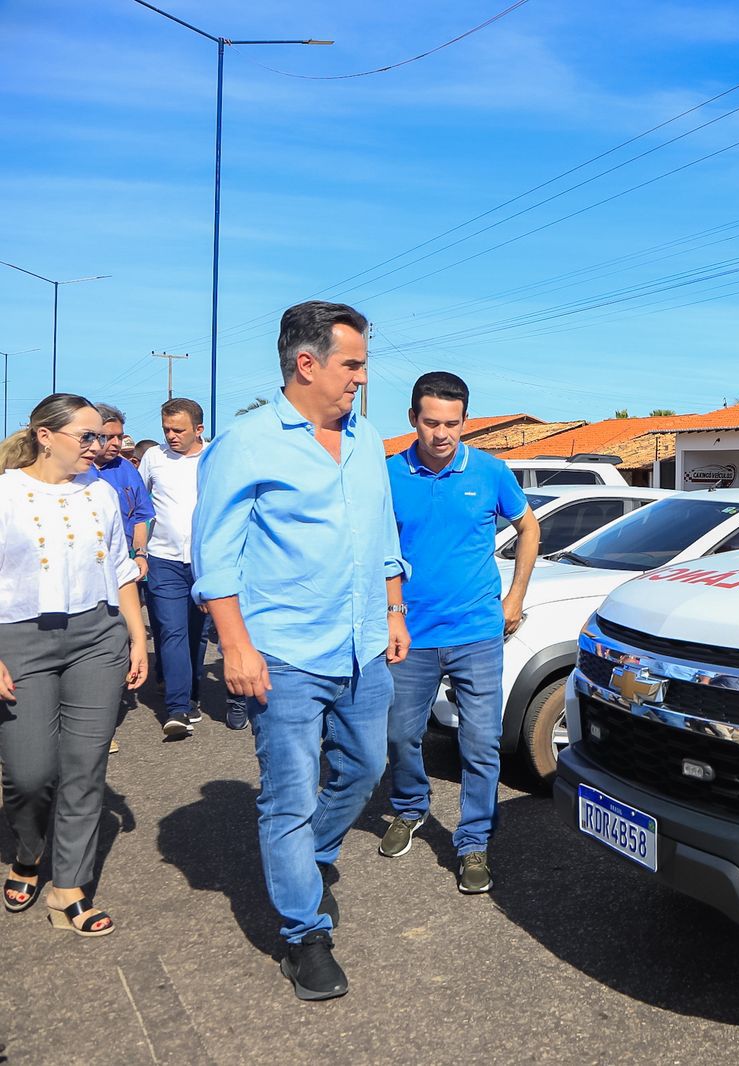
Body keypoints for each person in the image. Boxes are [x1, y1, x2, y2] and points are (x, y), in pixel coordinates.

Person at [192, 300, 408, 1002]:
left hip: (362, 646)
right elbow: (215, 558)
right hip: (283, 652)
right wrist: (235, 647)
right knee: (287, 795)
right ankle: (303, 935)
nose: (362, 378)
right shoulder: (247, 443)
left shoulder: (365, 439)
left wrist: (394, 609)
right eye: (353, 365)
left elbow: (382, 534)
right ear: (306, 363)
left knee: (366, 766)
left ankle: (308, 859)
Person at [380, 372, 539, 893]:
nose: (441, 434)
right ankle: (410, 806)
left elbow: (529, 527)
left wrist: (515, 596)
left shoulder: (490, 471)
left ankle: (473, 842)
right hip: (411, 634)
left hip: (476, 632)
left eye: (452, 423)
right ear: (413, 419)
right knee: (400, 734)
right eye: (431, 422)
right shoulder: (388, 475)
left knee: (481, 742)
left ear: (465, 421)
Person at [0, 394, 147, 936]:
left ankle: (69, 889)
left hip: (97, 637)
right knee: (29, 773)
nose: (100, 446)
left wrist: (136, 637)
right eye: (87, 436)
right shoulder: (5, 493)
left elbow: (120, 569)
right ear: (45, 435)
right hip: (20, 640)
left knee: (85, 768)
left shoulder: (101, 492)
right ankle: (29, 850)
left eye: (103, 436)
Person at [140, 398, 217, 736]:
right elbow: (139, 504)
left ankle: (192, 693)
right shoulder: (153, 458)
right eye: (166, 429)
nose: (171, 436)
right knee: (172, 630)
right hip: (163, 559)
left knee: (197, 633)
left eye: (178, 430)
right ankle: (177, 708)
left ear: (198, 429)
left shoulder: (215, 457)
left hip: (205, 561)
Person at [88, 404, 154, 753]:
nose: (114, 443)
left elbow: (142, 515)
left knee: (118, 642)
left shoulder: (126, 470)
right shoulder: (79, 472)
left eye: (118, 437)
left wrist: (140, 552)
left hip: (124, 571)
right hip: (88, 577)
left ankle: (100, 724)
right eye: (107, 437)